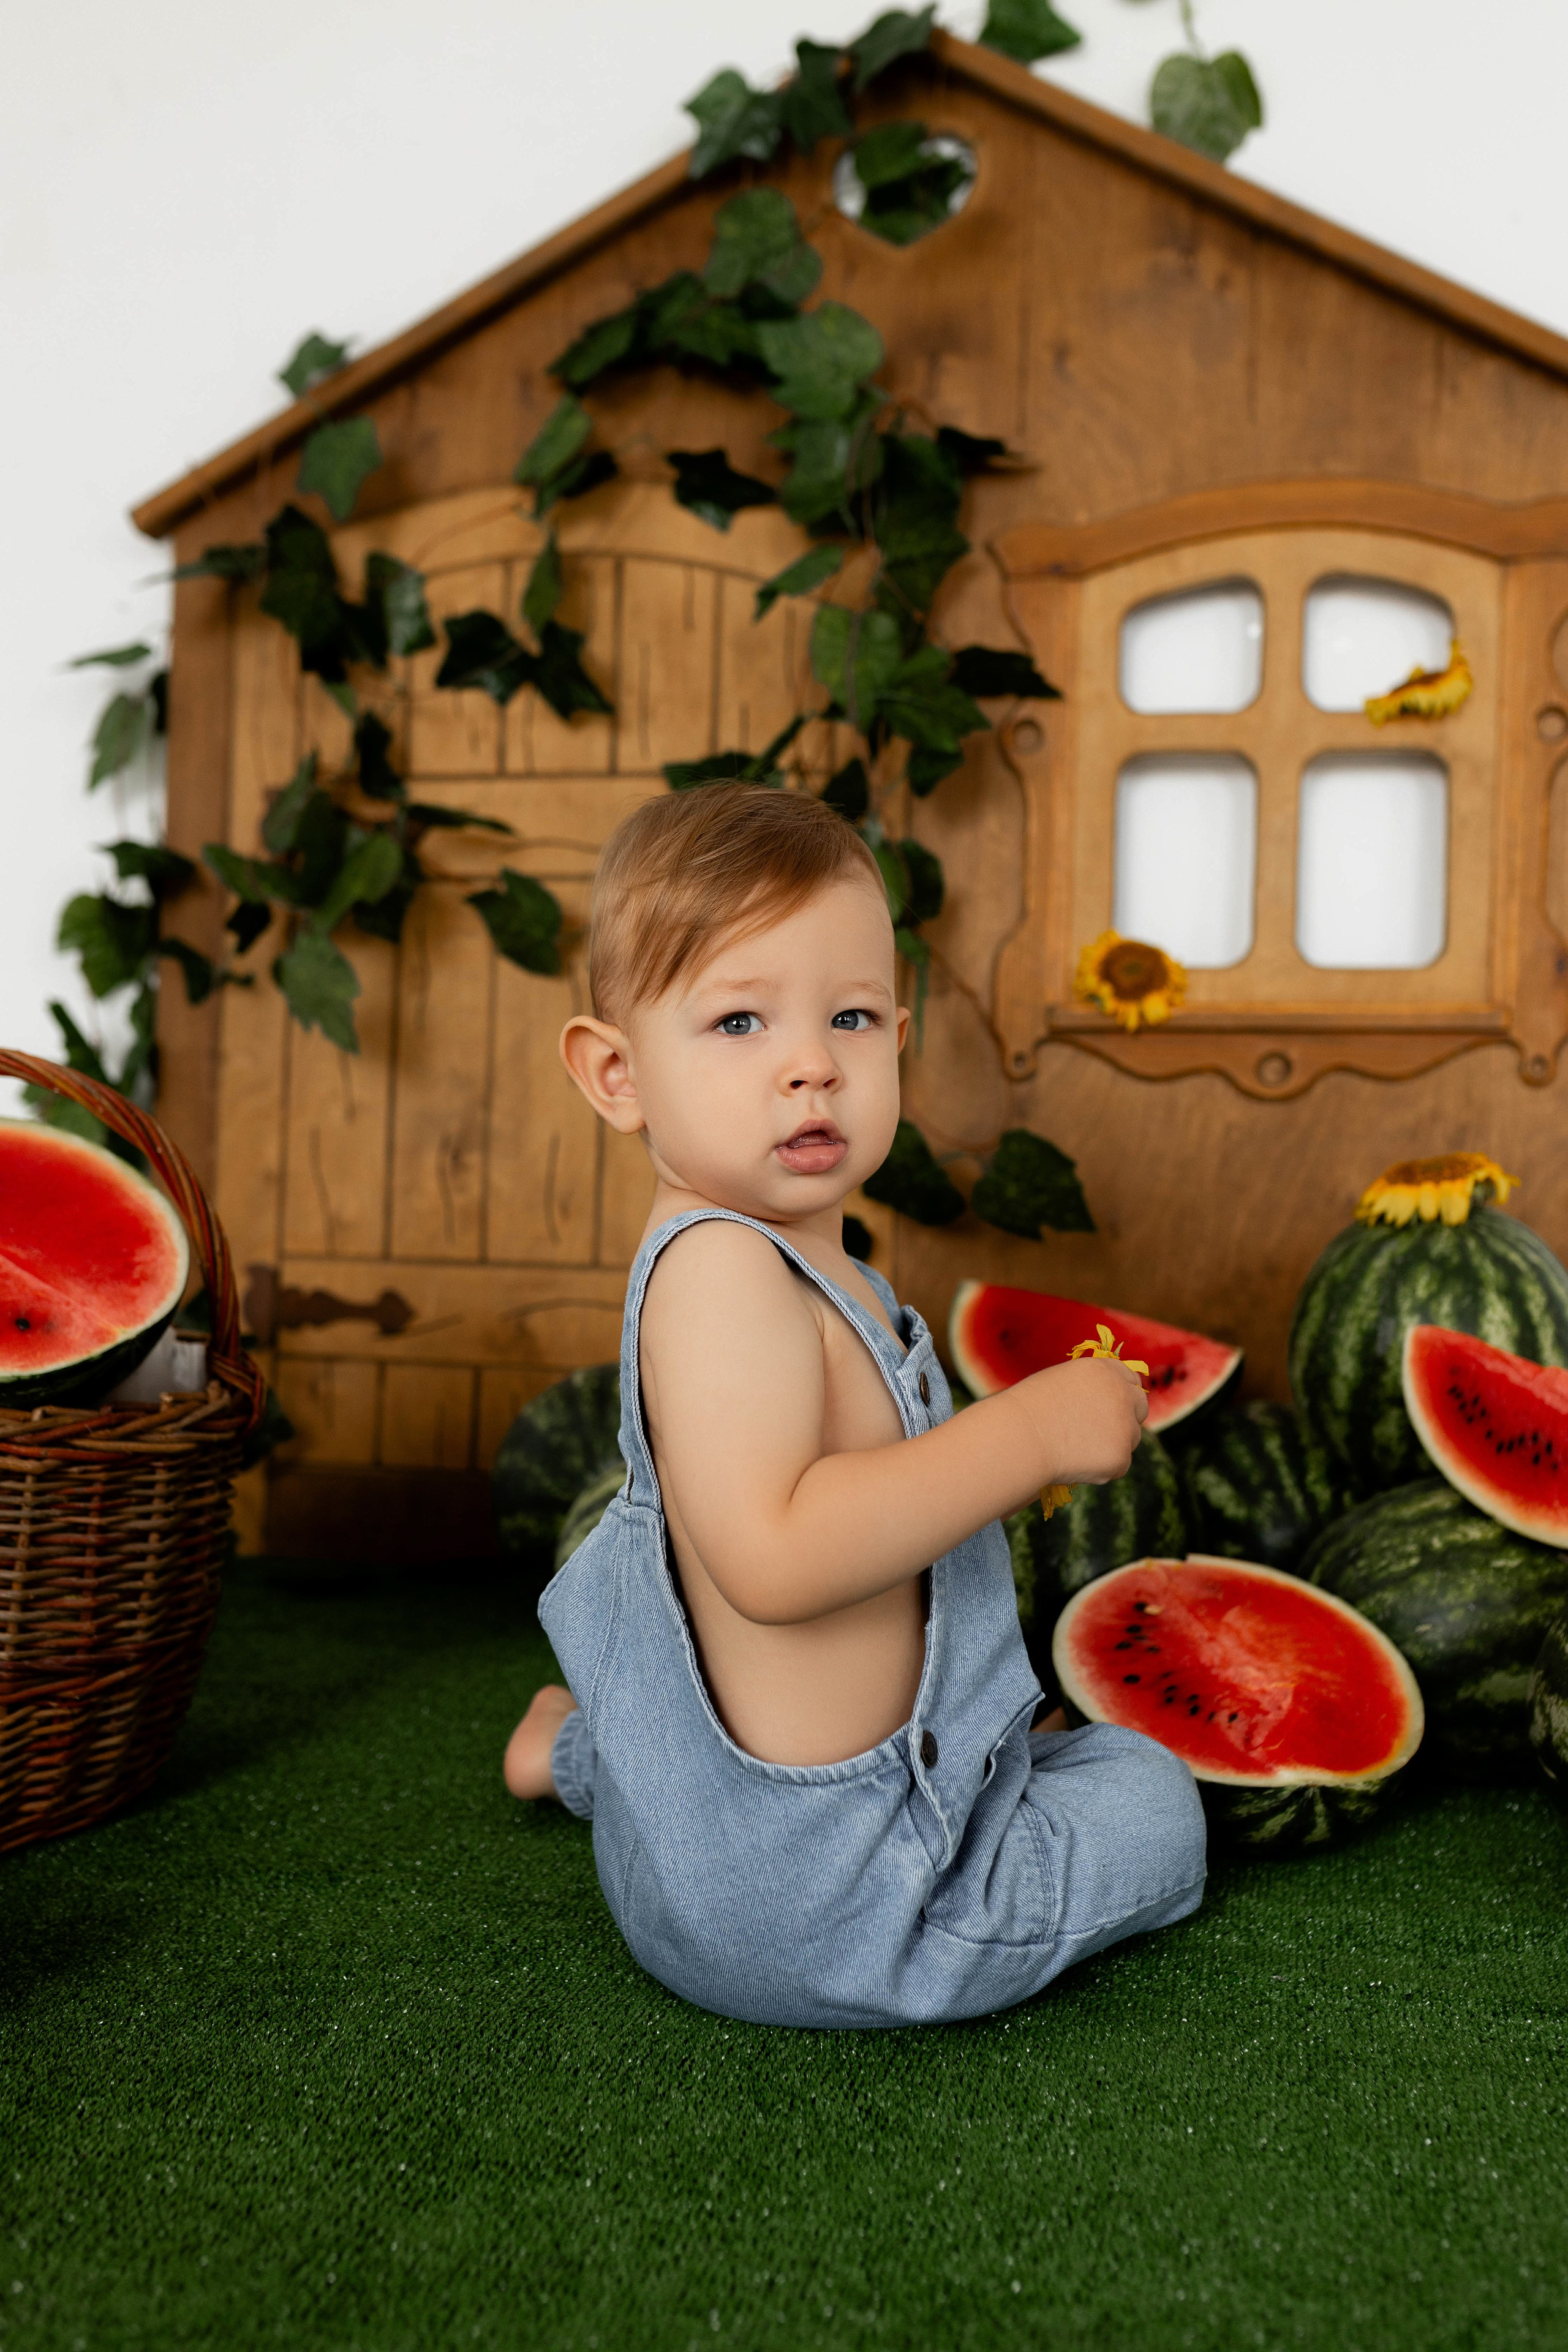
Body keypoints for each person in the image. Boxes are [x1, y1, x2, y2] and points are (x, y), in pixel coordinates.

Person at [504, 783, 1205, 2028]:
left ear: (896, 1034)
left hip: (725, 1848)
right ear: (616, 1075)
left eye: (850, 1016)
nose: (810, 1064)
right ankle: (599, 1758)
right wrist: (1030, 1432)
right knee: (1152, 1795)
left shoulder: (807, 1264)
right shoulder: (720, 1273)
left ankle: (584, 1754)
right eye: (736, 1020)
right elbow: (773, 1557)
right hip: (845, 1909)